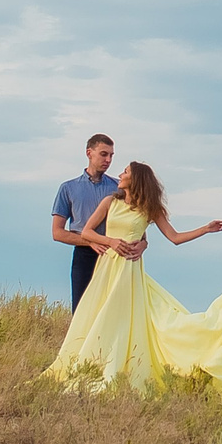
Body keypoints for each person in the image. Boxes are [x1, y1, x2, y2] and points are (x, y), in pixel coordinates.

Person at [45, 160, 222, 391]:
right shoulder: (110, 202)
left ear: (135, 179)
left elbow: (175, 238)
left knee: (138, 321)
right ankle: (93, 364)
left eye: (125, 172)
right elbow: (86, 231)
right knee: (96, 317)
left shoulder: (150, 210)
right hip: (107, 268)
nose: (120, 175)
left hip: (130, 272)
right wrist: (110, 242)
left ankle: (128, 367)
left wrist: (205, 229)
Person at [50, 134, 140, 312]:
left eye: (111, 156)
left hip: (116, 256)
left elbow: (137, 225)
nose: (108, 160)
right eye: (103, 154)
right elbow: (57, 233)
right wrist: (91, 241)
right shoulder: (68, 188)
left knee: (114, 312)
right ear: (89, 153)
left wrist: (142, 245)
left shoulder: (120, 187)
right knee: (82, 310)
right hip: (85, 256)